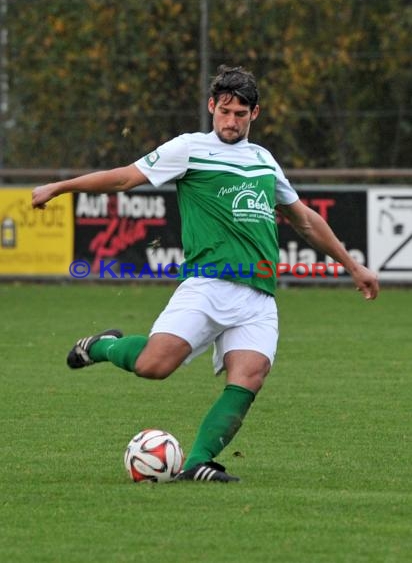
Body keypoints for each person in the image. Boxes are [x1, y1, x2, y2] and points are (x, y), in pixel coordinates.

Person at [32, 65, 379, 483]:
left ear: (255, 114)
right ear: (212, 106)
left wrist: (352, 265)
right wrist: (59, 187)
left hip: (259, 295)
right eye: (224, 111)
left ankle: (198, 461)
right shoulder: (190, 148)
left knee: (250, 376)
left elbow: (303, 219)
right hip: (208, 284)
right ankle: (104, 346)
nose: (231, 121)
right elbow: (125, 178)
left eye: (240, 113)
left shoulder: (264, 160)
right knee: (154, 366)